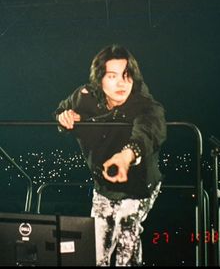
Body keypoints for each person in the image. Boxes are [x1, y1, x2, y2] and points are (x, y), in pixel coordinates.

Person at [54, 44, 167, 266]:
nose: (121, 83)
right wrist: (63, 117)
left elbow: (148, 130)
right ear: (100, 79)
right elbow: (61, 109)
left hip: (139, 184)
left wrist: (126, 157)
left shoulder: (145, 105)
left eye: (126, 76)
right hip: (103, 185)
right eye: (112, 76)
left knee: (127, 240)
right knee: (96, 251)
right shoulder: (84, 97)